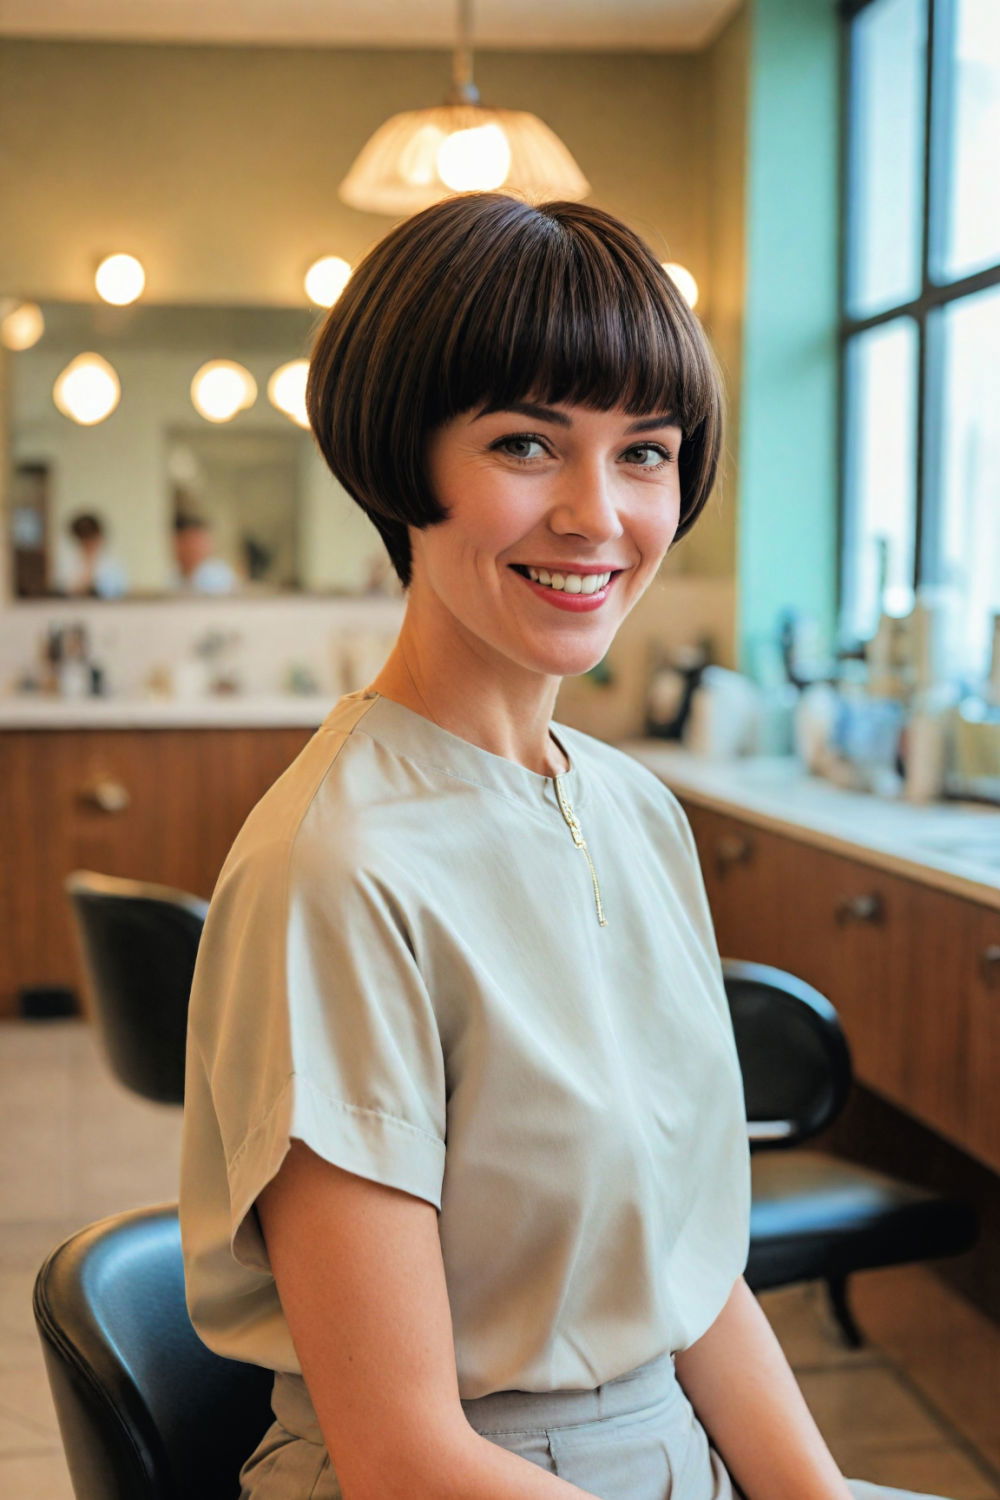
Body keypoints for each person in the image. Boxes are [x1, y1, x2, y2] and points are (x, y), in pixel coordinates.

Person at [179, 194, 952, 1500]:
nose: (599, 515)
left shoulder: (634, 810)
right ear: (401, 460)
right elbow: (401, 1457)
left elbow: (684, 1281)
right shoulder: (339, 870)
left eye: (646, 452)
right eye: (527, 444)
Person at [53, 511, 128, 598]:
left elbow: (115, 591)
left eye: (90, 538)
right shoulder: (68, 560)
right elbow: (61, 587)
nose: (88, 543)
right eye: (83, 539)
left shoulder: (112, 563)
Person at [172, 512, 239, 593]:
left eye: (198, 543)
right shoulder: (173, 576)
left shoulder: (218, 576)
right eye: (187, 543)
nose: (194, 548)